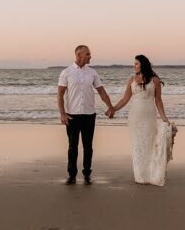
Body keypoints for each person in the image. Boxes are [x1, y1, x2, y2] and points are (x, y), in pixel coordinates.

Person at [108, 54, 173, 186]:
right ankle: (140, 175)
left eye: (136, 64)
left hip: (149, 115)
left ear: (143, 64)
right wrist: (113, 108)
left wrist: (164, 118)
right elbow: (125, 99)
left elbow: (158, 101)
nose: (134, 66)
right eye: (134, 64)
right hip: (135, 117)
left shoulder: (155, 80)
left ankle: (151, 173)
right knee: (137, 145)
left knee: (149, 144)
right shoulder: (132, 79)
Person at [57, 45, 114, 185]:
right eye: (87, 54)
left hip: (89, 115)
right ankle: (71, 175)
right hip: (72, 116)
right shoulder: (66, 72)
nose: (90, 56)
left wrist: (110, 107)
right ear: (78, 55)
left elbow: (101, 91)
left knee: (88, 146)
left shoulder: (92, 73)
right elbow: (60, 95)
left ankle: (87, 174)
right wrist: (63, 114)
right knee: (72, 147)